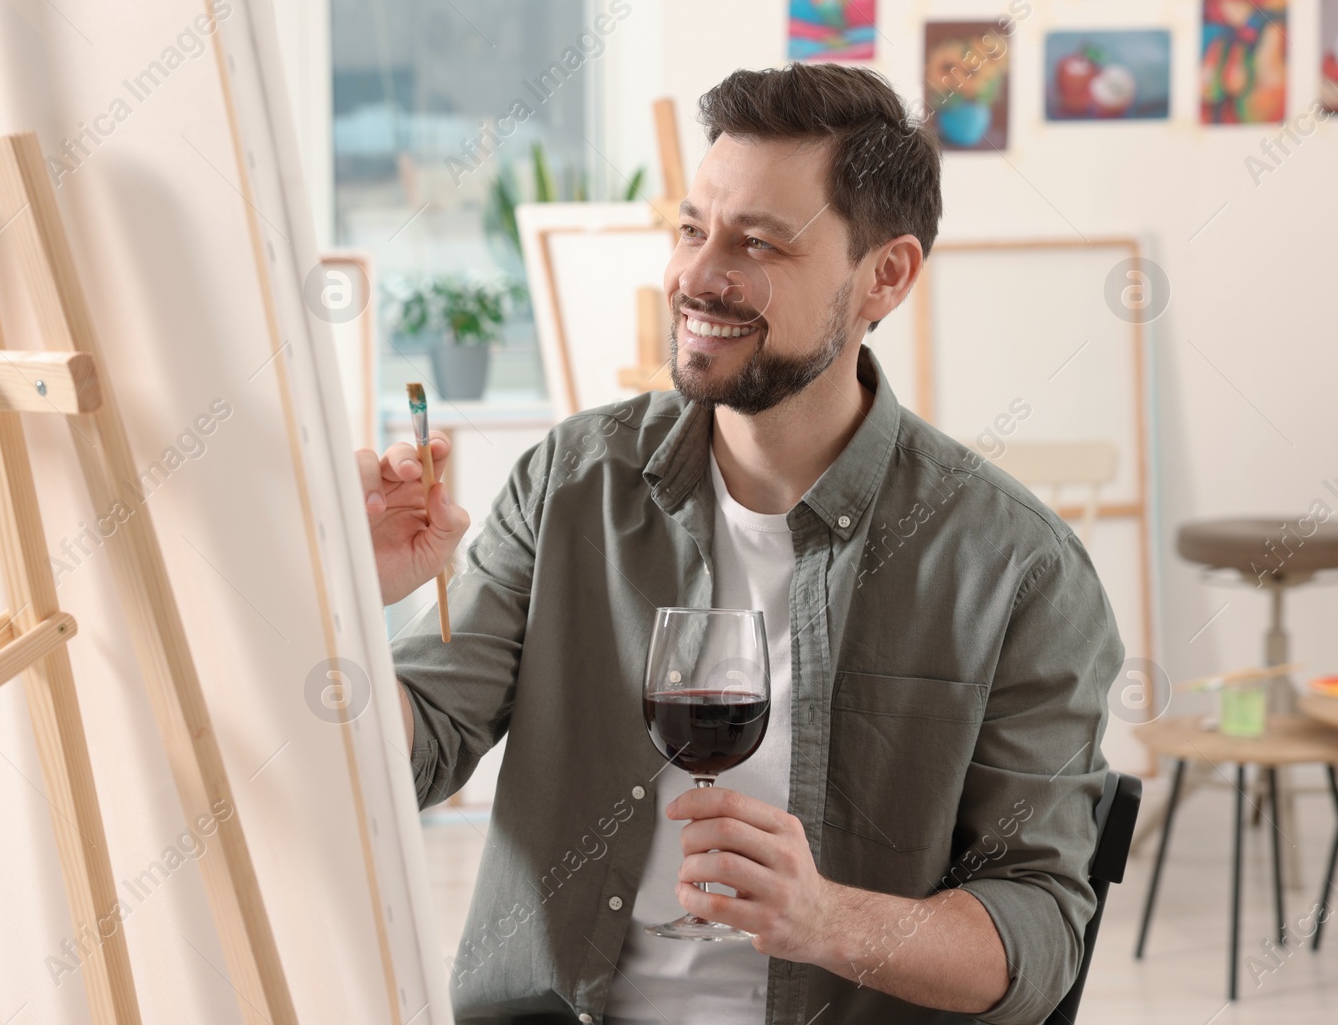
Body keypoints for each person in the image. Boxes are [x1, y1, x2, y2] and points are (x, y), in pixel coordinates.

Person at [358, 62, 1122, 1025]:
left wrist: (821, 917)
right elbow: (411, 753)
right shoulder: (569, 484)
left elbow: (1038, 932)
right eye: (691, 229)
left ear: (885, 274)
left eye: (756, 243)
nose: (697, 275)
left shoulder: (1018, 570)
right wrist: (344, 599)